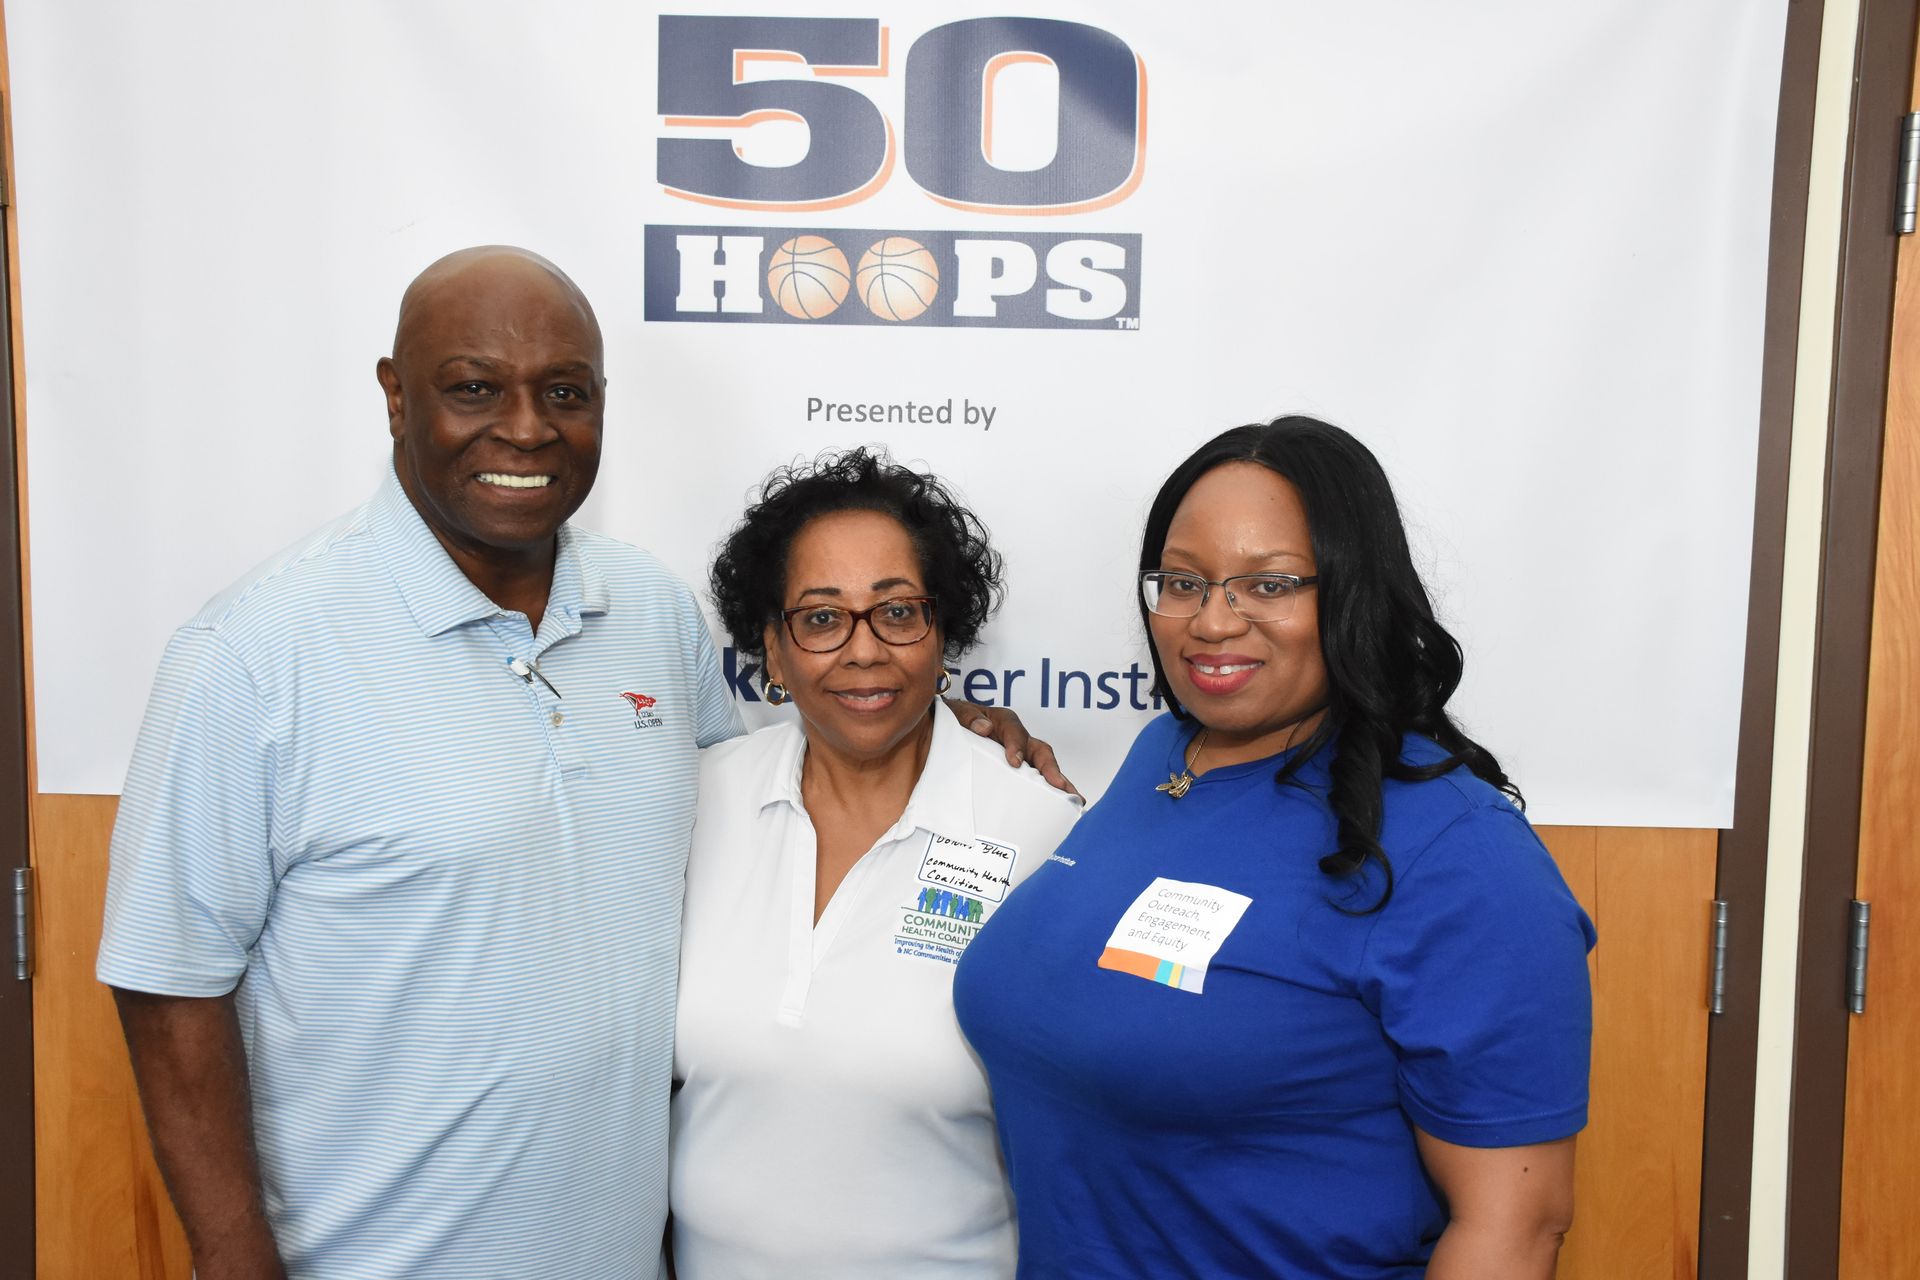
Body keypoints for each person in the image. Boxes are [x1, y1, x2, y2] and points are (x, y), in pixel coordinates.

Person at [95, 247, 1054, 1280]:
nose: (524, 427)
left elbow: (776, 799)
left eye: (564, 391)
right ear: (393, 396)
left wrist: (930, 721)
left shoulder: (649, 612)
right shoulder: (250, 654)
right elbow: (167, 986)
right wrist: (235, 1257)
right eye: (473, 387)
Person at [954, 416, 1596, 1280]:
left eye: (1270, 585)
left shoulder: (1459, 853)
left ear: (1353, 592)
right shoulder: (1161, 757)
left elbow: (1515, 1229)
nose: (1212, 622)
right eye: (1183, 582)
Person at [671, 448, 1082, 1279]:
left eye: (897, 613)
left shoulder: (1040, 831)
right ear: (774, 654)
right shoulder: (693, 807)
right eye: (821, 618)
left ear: (943, 635)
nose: (864, 650)